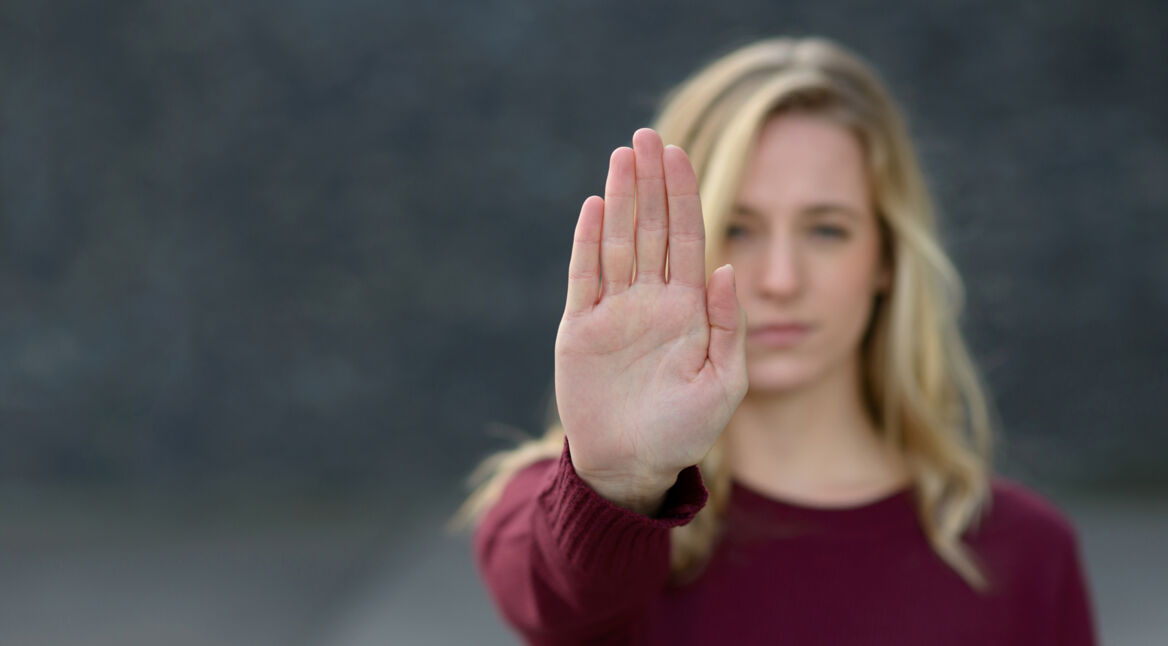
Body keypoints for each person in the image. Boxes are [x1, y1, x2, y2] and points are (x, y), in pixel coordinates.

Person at [459, 36, 1097, 645]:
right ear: (670, 242)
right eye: (738, 227)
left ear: (886, 258)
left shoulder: (1027, 552)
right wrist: (622, 483)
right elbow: (554, 595)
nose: (781, 280)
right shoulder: (585, 513)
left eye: (826, 230)